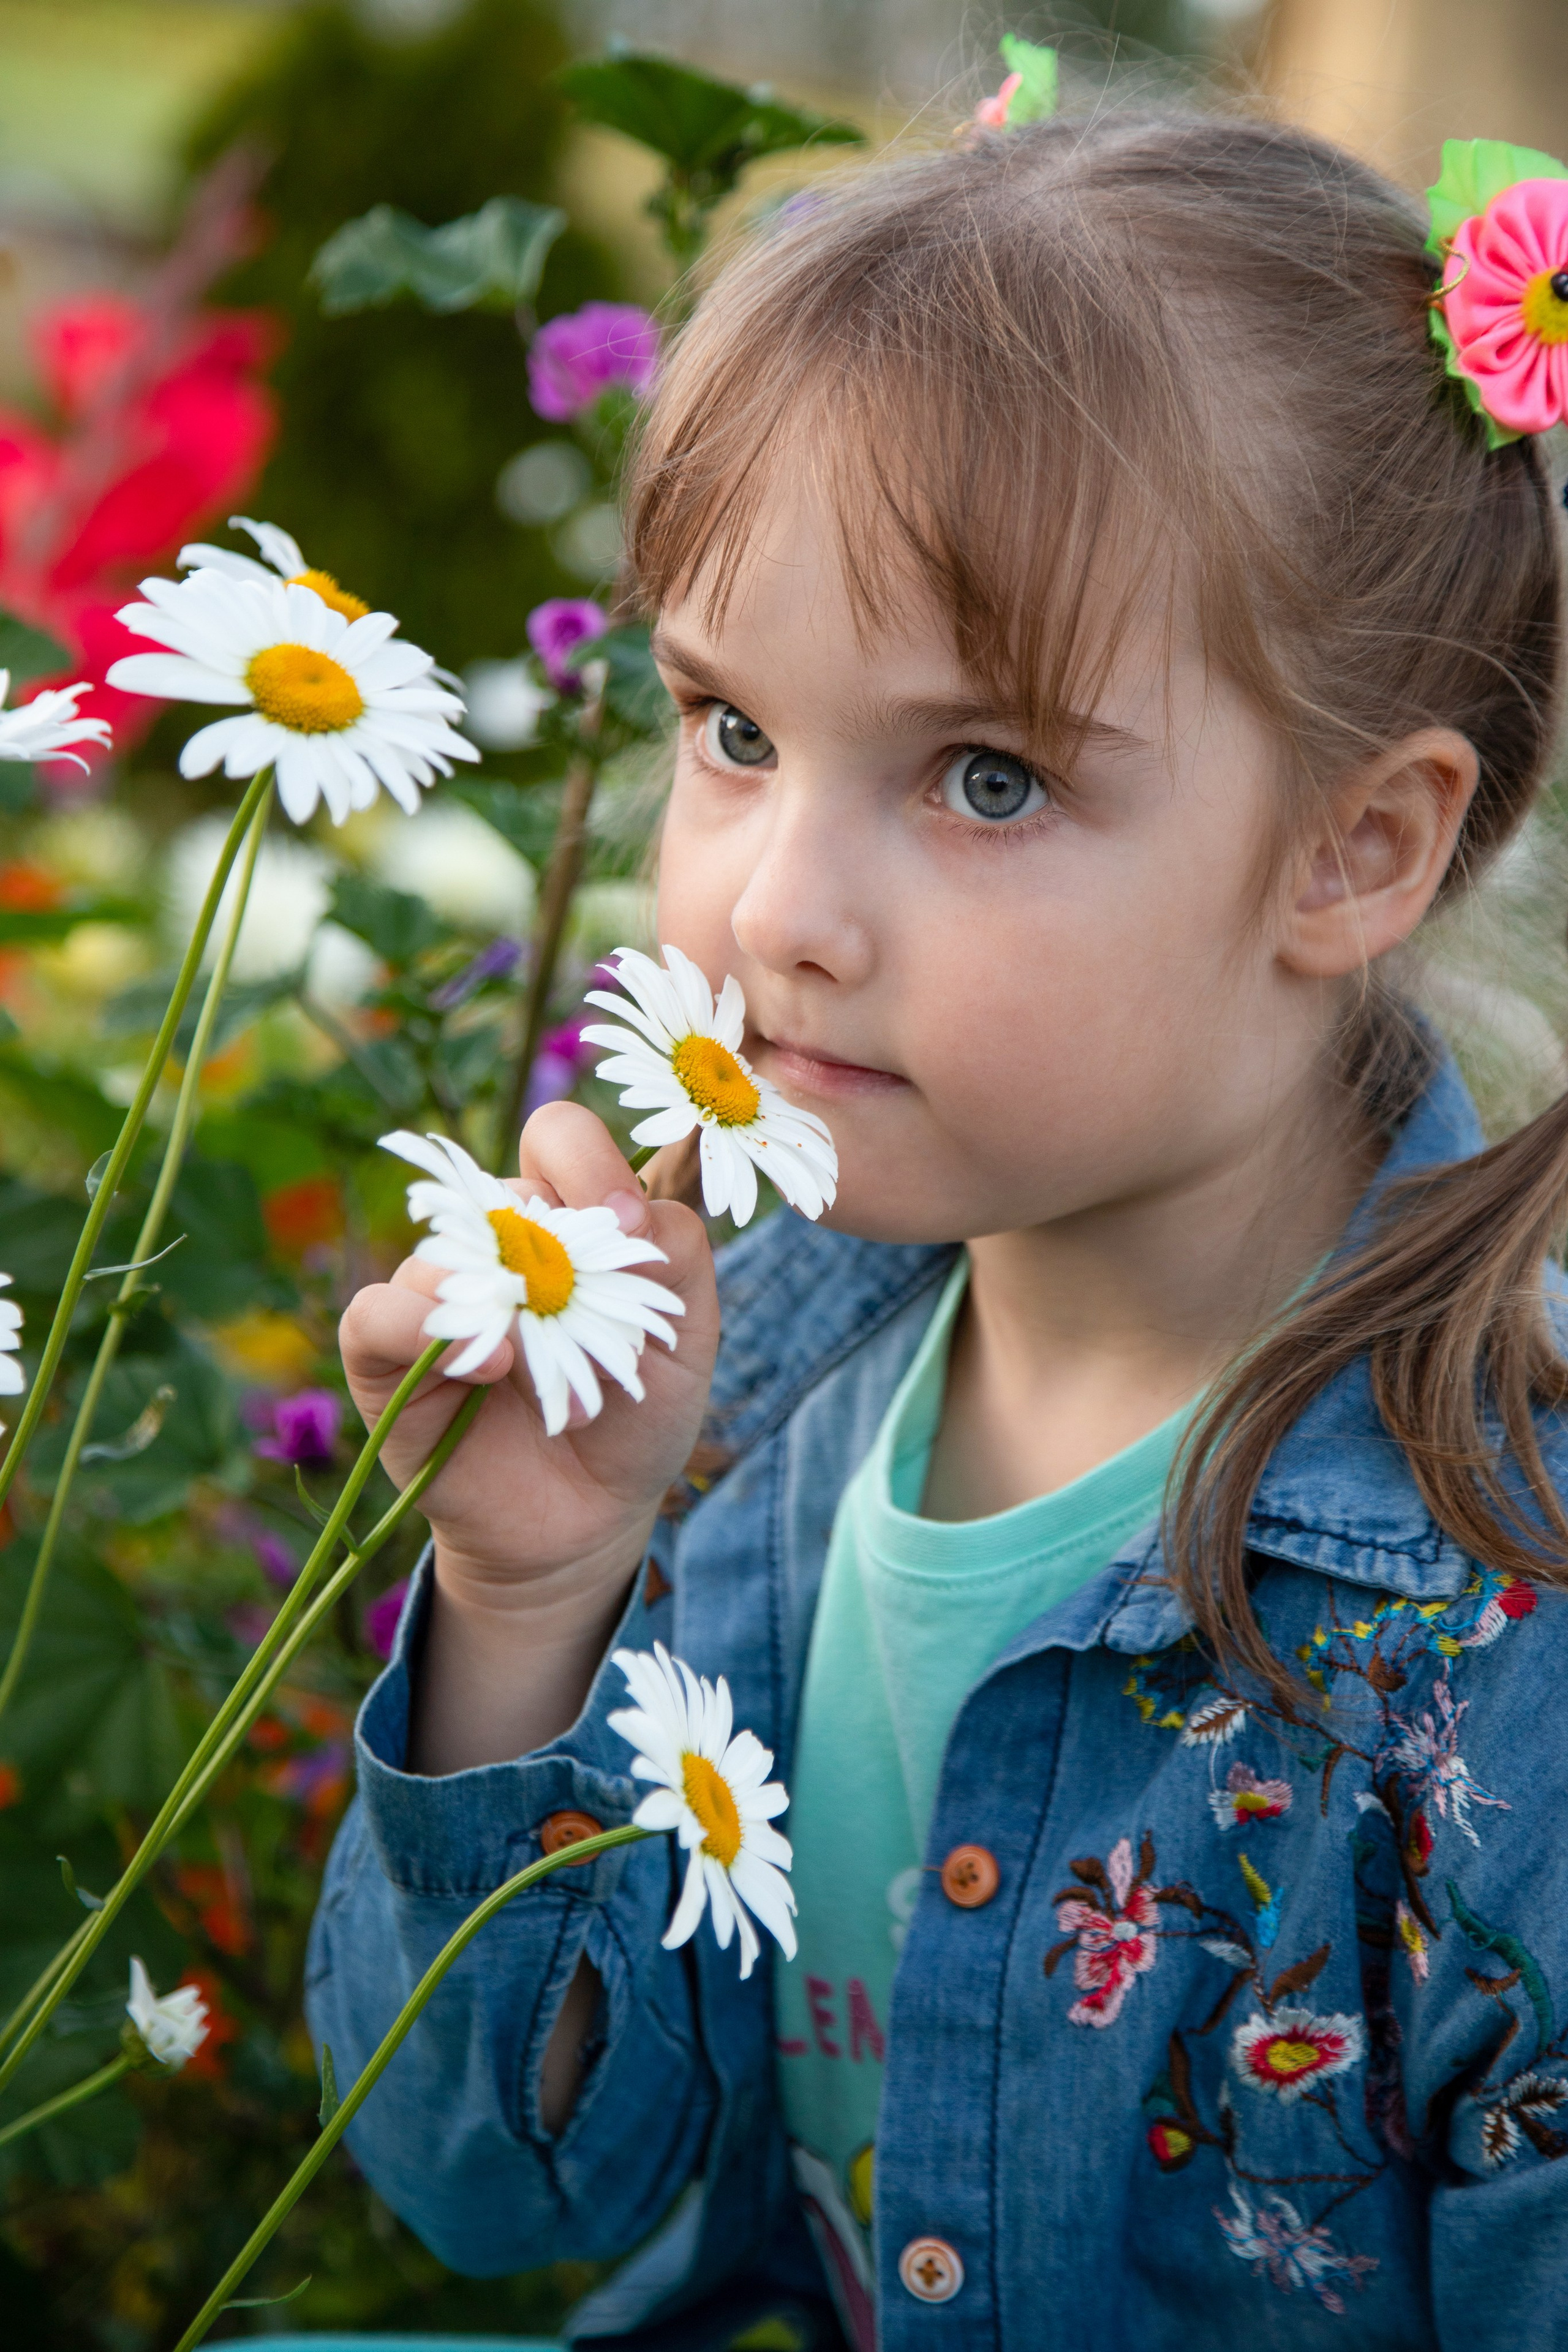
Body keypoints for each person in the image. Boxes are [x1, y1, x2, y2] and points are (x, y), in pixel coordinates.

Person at [311, 97, 1568, 2351]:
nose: (778, 912)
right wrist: (529, 1597)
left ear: (1356, 849)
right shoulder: (756, 1375)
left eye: (987, 777)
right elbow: (502, 2194)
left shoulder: (1508, 1614)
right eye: (727, 728)